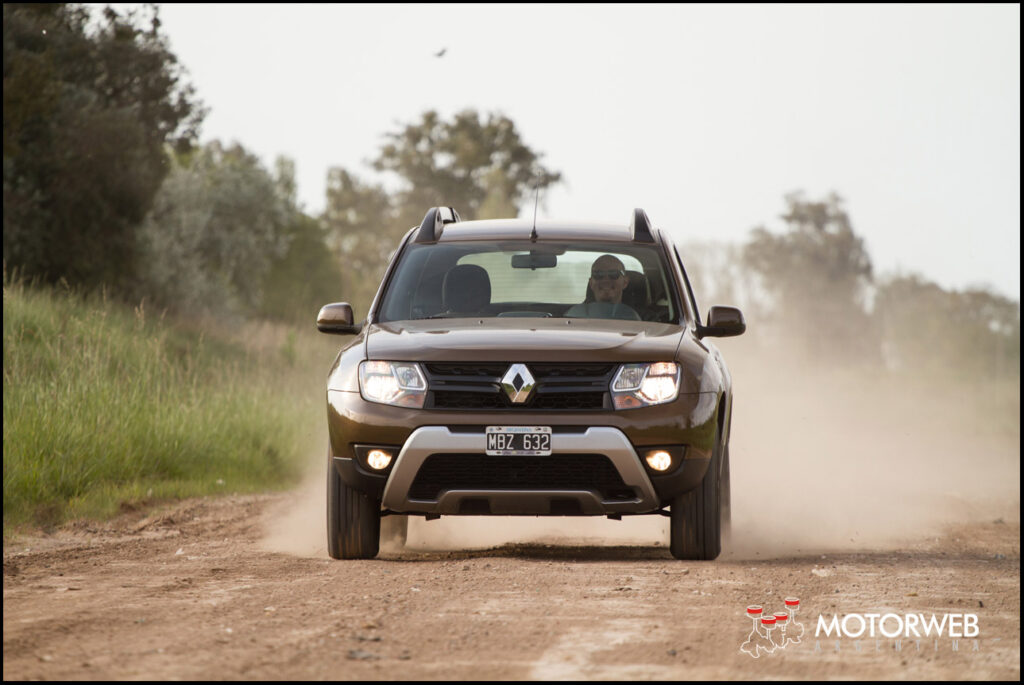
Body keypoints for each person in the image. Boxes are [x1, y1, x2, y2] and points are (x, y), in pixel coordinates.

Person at [564, 254, 641, 320]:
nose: (606, 280)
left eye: (614, 274)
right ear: (591, 283)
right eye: (598, 275)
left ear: (625, 282)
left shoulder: (635, 319)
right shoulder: (574, 315)